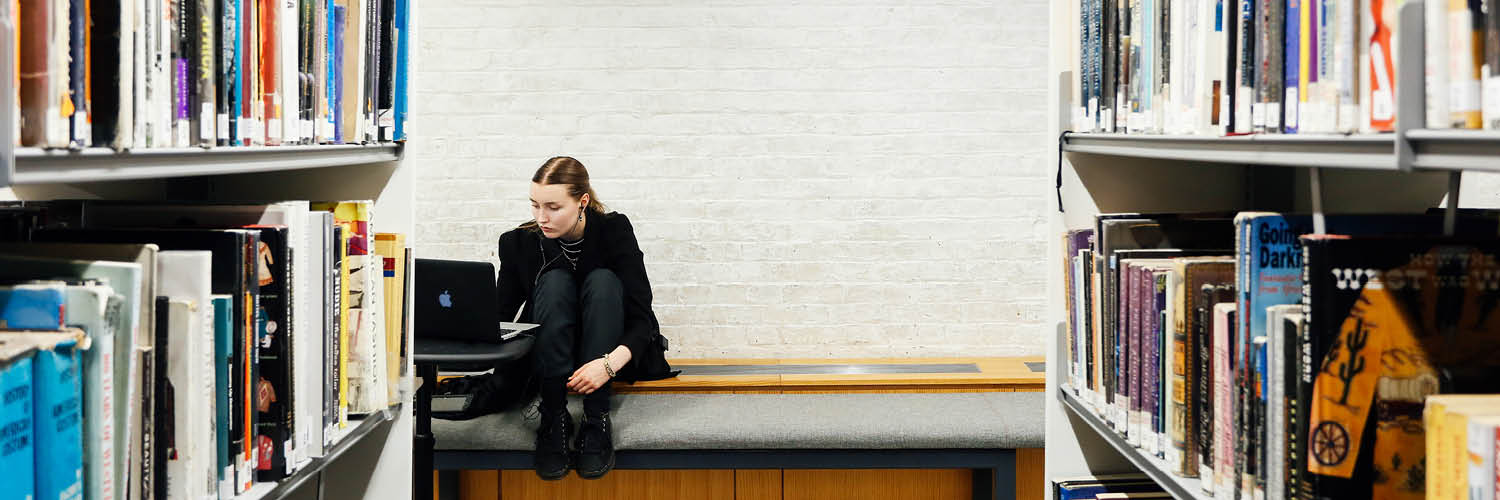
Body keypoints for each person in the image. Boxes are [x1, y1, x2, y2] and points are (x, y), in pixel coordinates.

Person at [495, 156, 678, 480]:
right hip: (550, 353)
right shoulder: (518, 243)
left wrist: (607, 365)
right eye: (534, 205)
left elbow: (642, 319)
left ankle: (596, 419)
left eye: (553, 207)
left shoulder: (614, 231)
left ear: (582, 202)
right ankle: (553, 417)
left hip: (608, 351)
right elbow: (501, 318)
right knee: (553, 282)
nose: (541, 217)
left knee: (603, 281)